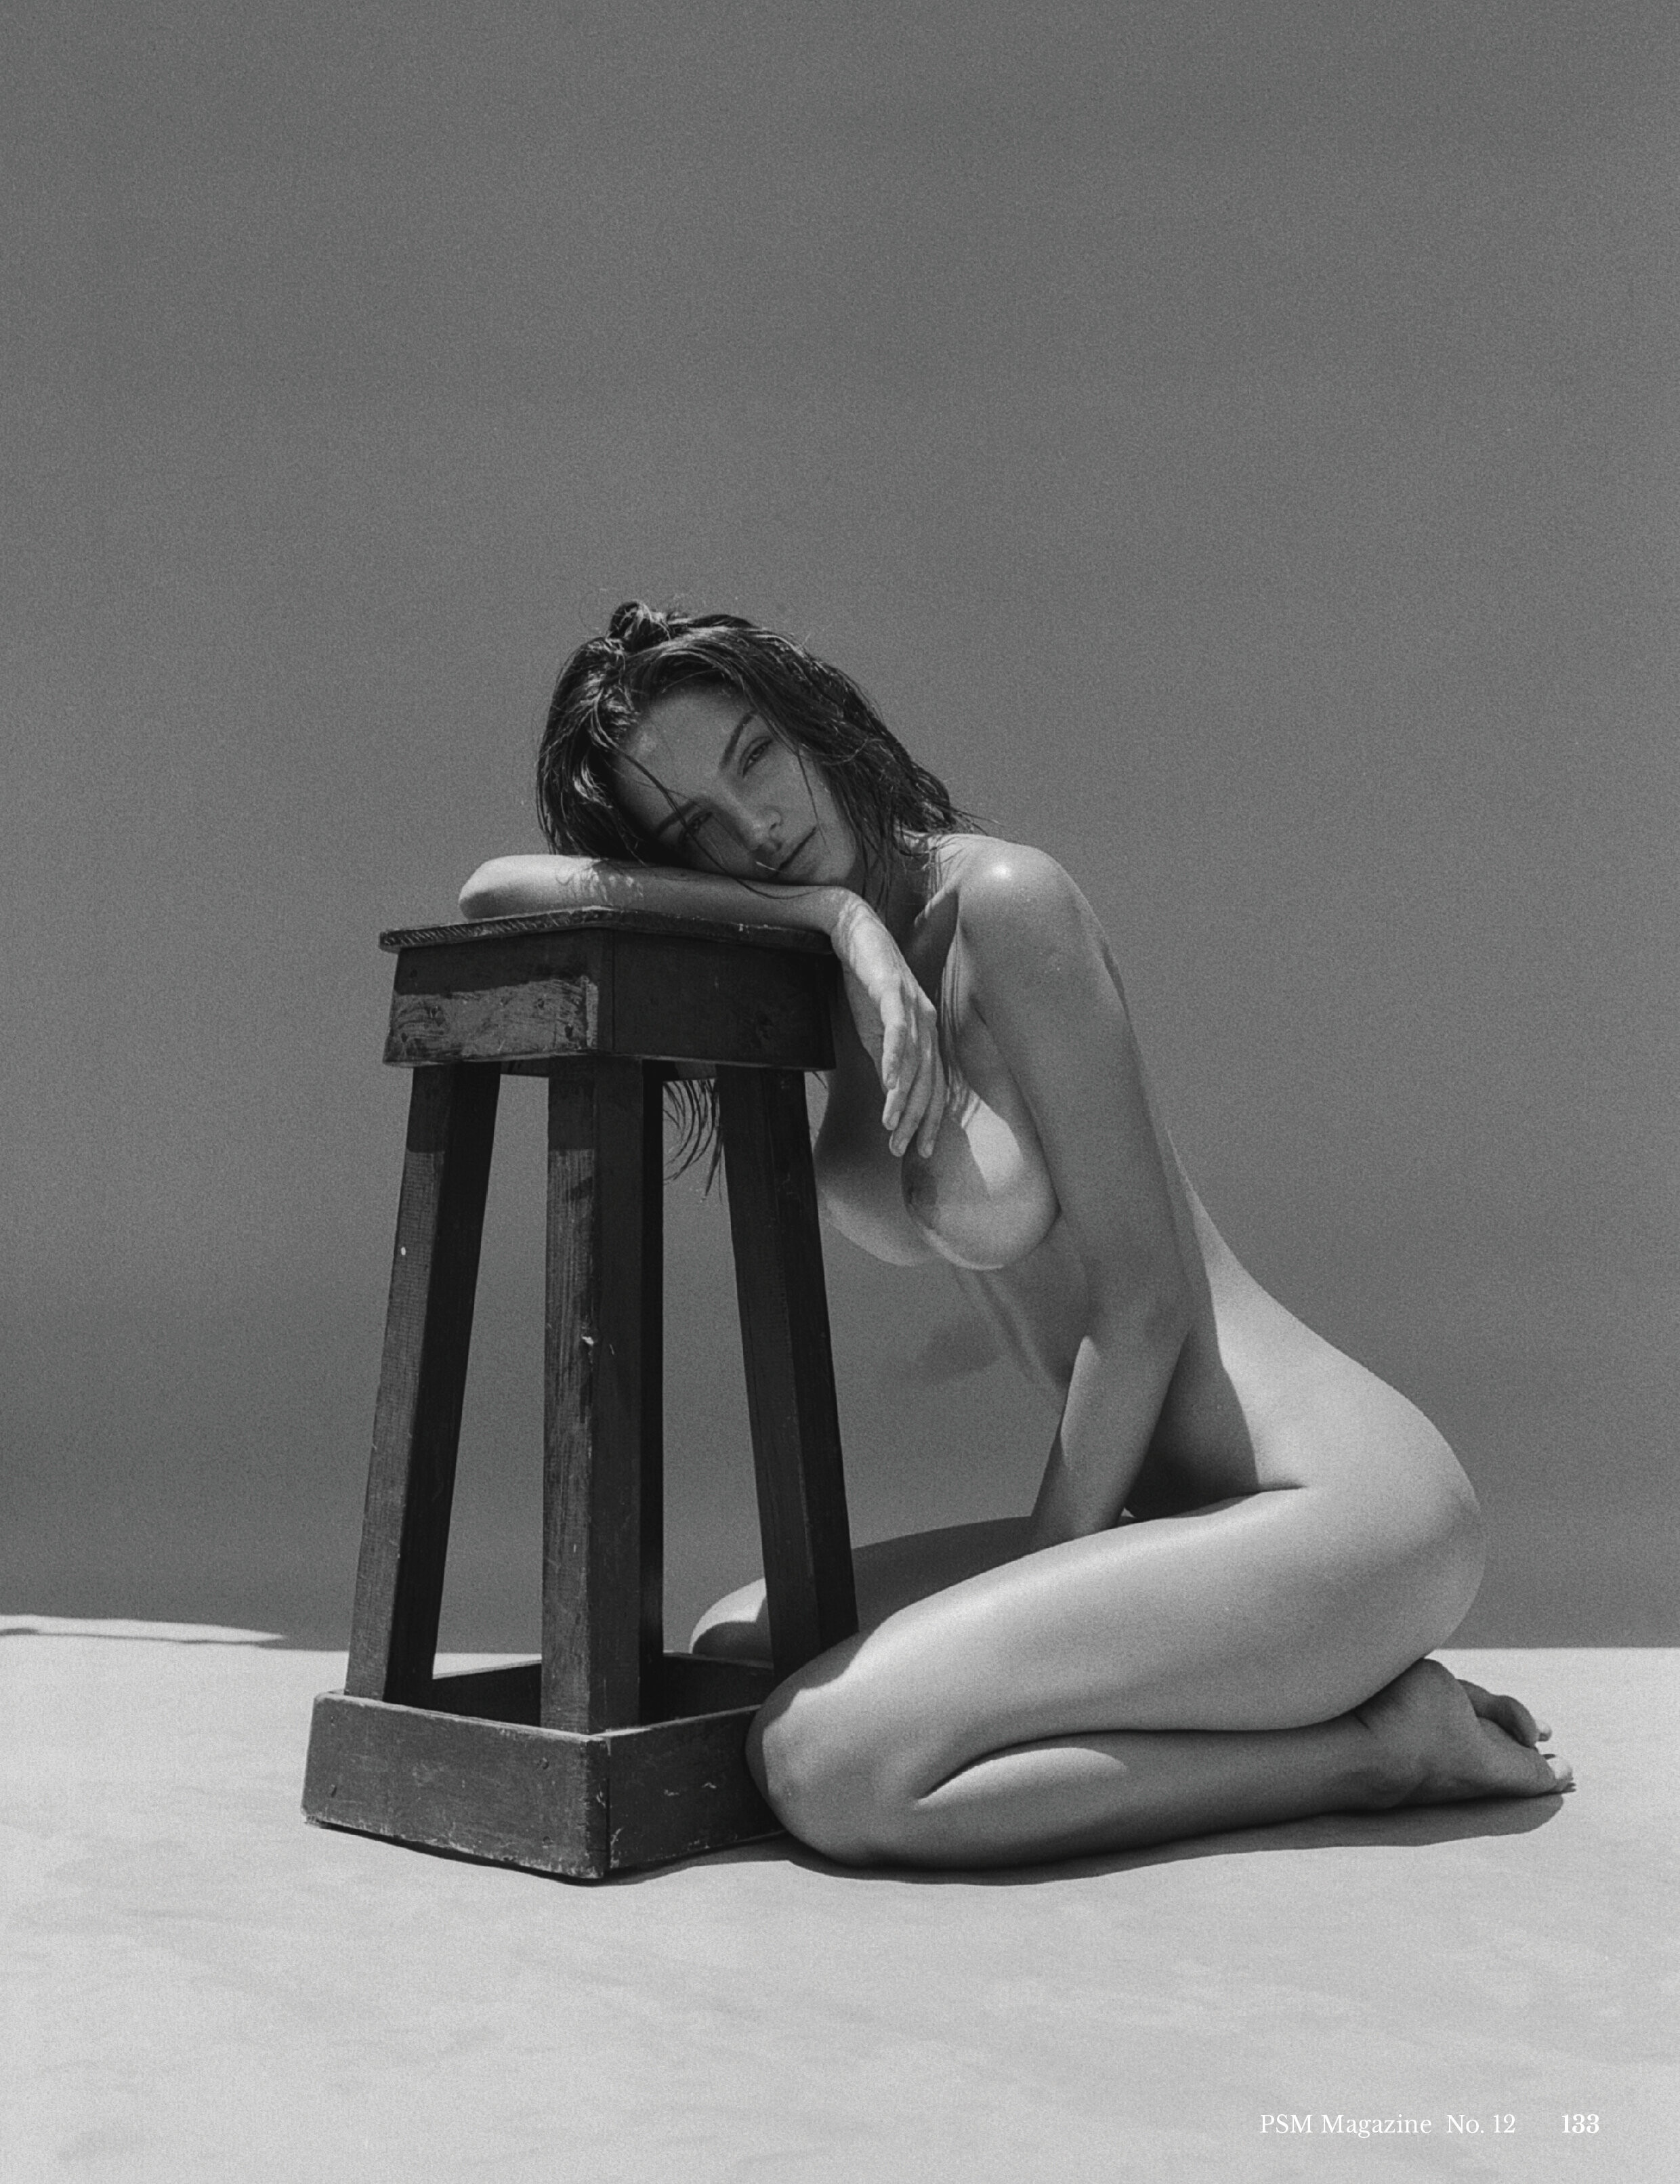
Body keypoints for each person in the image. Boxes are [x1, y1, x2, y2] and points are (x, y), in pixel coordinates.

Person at [460, 600, 1571, 1870]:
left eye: (756, 757)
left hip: (1338, 1507)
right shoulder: (828, 960)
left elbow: (1144, 1310)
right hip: (1170, 1521)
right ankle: (1313, 1705)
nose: (753, 827)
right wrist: (834, 923)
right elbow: (494, 890)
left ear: (816, 720)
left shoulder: (1004, 902)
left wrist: (1032, 1587)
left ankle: (1383, 1750)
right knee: (735, 1646)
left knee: (825, 1767)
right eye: (694, 829)